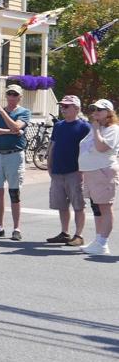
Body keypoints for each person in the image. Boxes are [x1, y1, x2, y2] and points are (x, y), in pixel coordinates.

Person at [0, 84, 31, 240]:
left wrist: (3, 113)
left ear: (20, 97)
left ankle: (16, 228)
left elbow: (17, 126)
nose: (11, 97)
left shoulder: (24, 112)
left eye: (15, 94)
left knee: (14, 192)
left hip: (14, 155)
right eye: (9, 94)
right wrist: (10, 131)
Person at [45, 96, 90, 245]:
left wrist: (83, 170)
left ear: (77, 109)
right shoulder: (58, 126)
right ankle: (64, 233)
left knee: (78, 205)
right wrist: (49, 165)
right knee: (61, 205)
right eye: (62, 106)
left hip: (75, 172)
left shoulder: (85, 127)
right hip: (58, 171)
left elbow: (89, 150)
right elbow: (53, 146)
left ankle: (79, 235)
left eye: (67, 106)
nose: (63, 109)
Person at [78, 99, 119, 256]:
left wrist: (95, 130)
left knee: (105, 208)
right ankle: (98, 240)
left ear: (109, 112)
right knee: (97, 208)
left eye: (99, 109)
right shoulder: (97, 127)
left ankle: (103, 243)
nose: (95, 112)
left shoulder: (113, 129)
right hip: (91, 172)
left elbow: (102, 147)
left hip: (102, 171)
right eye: (94, 109)